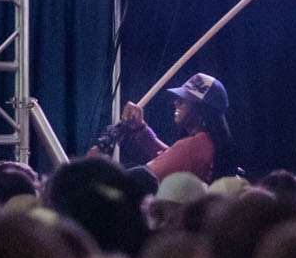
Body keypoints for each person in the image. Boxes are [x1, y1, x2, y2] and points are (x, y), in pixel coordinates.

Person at [97, 73, 236, 182]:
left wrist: (95, 163)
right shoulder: (207, 143)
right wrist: (141, 129)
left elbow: (141, 180)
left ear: (202, 110)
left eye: (185, 99)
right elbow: (171, 155)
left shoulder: (192, 147)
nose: (177, 102)